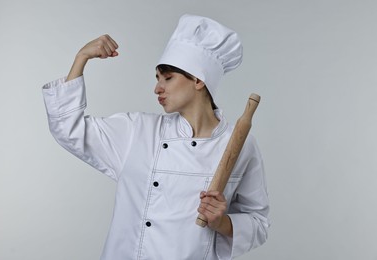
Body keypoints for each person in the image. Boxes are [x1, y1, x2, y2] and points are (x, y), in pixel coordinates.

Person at [42, 14, 269, 260]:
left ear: (198, 80)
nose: (157, 88)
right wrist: (81, 58)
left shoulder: (239, 144)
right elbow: (68, 129)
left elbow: (258, 222)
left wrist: (221, 222)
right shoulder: (137, 131)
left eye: (168, 78)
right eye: (157, 78)